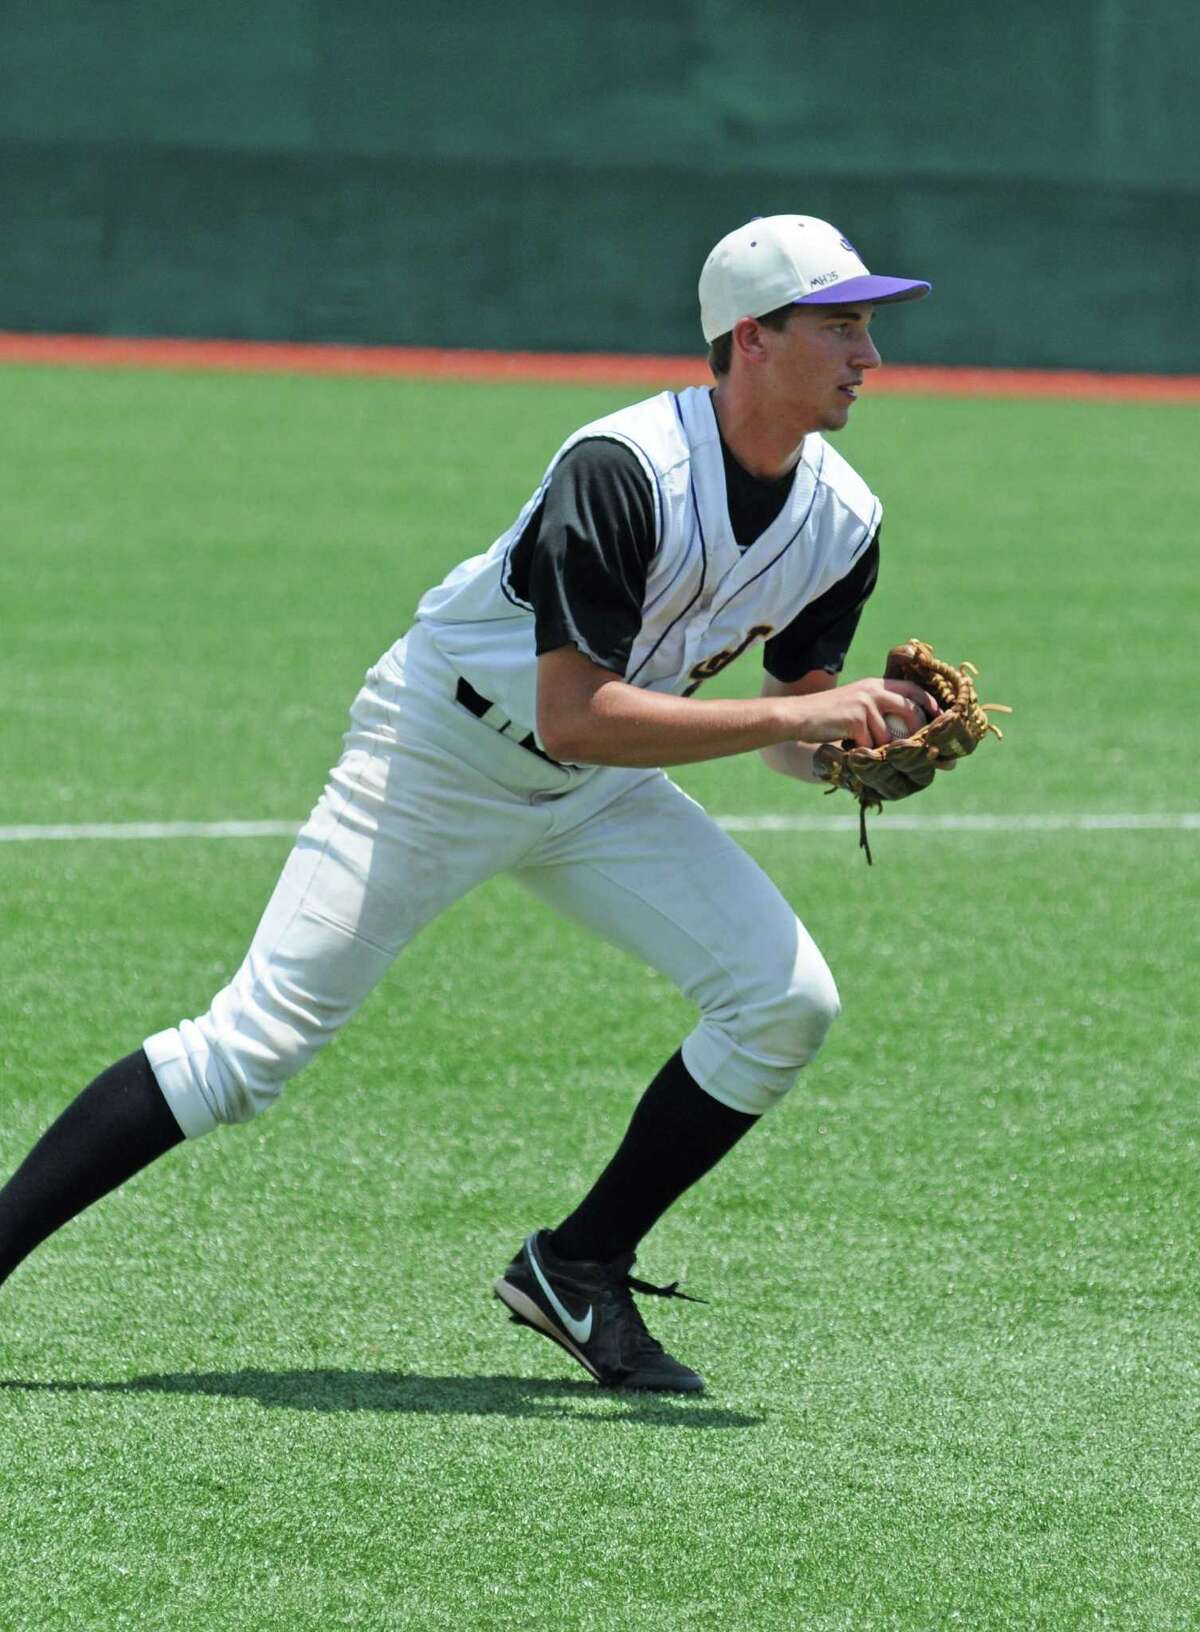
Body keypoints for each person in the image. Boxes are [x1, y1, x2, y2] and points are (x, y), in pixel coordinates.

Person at [0, 214, 940, 1394]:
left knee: (785, 1001)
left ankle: (577, 1268)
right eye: (841, 323)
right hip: (438, 755)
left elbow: (787, 730)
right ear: (751, 338)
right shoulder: (622, 469)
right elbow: (575, 713)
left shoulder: (843, 519)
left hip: (601, 789)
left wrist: (858, 744)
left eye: (870, 324)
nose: (871, 355)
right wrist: (801, 718)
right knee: (246, 1053)